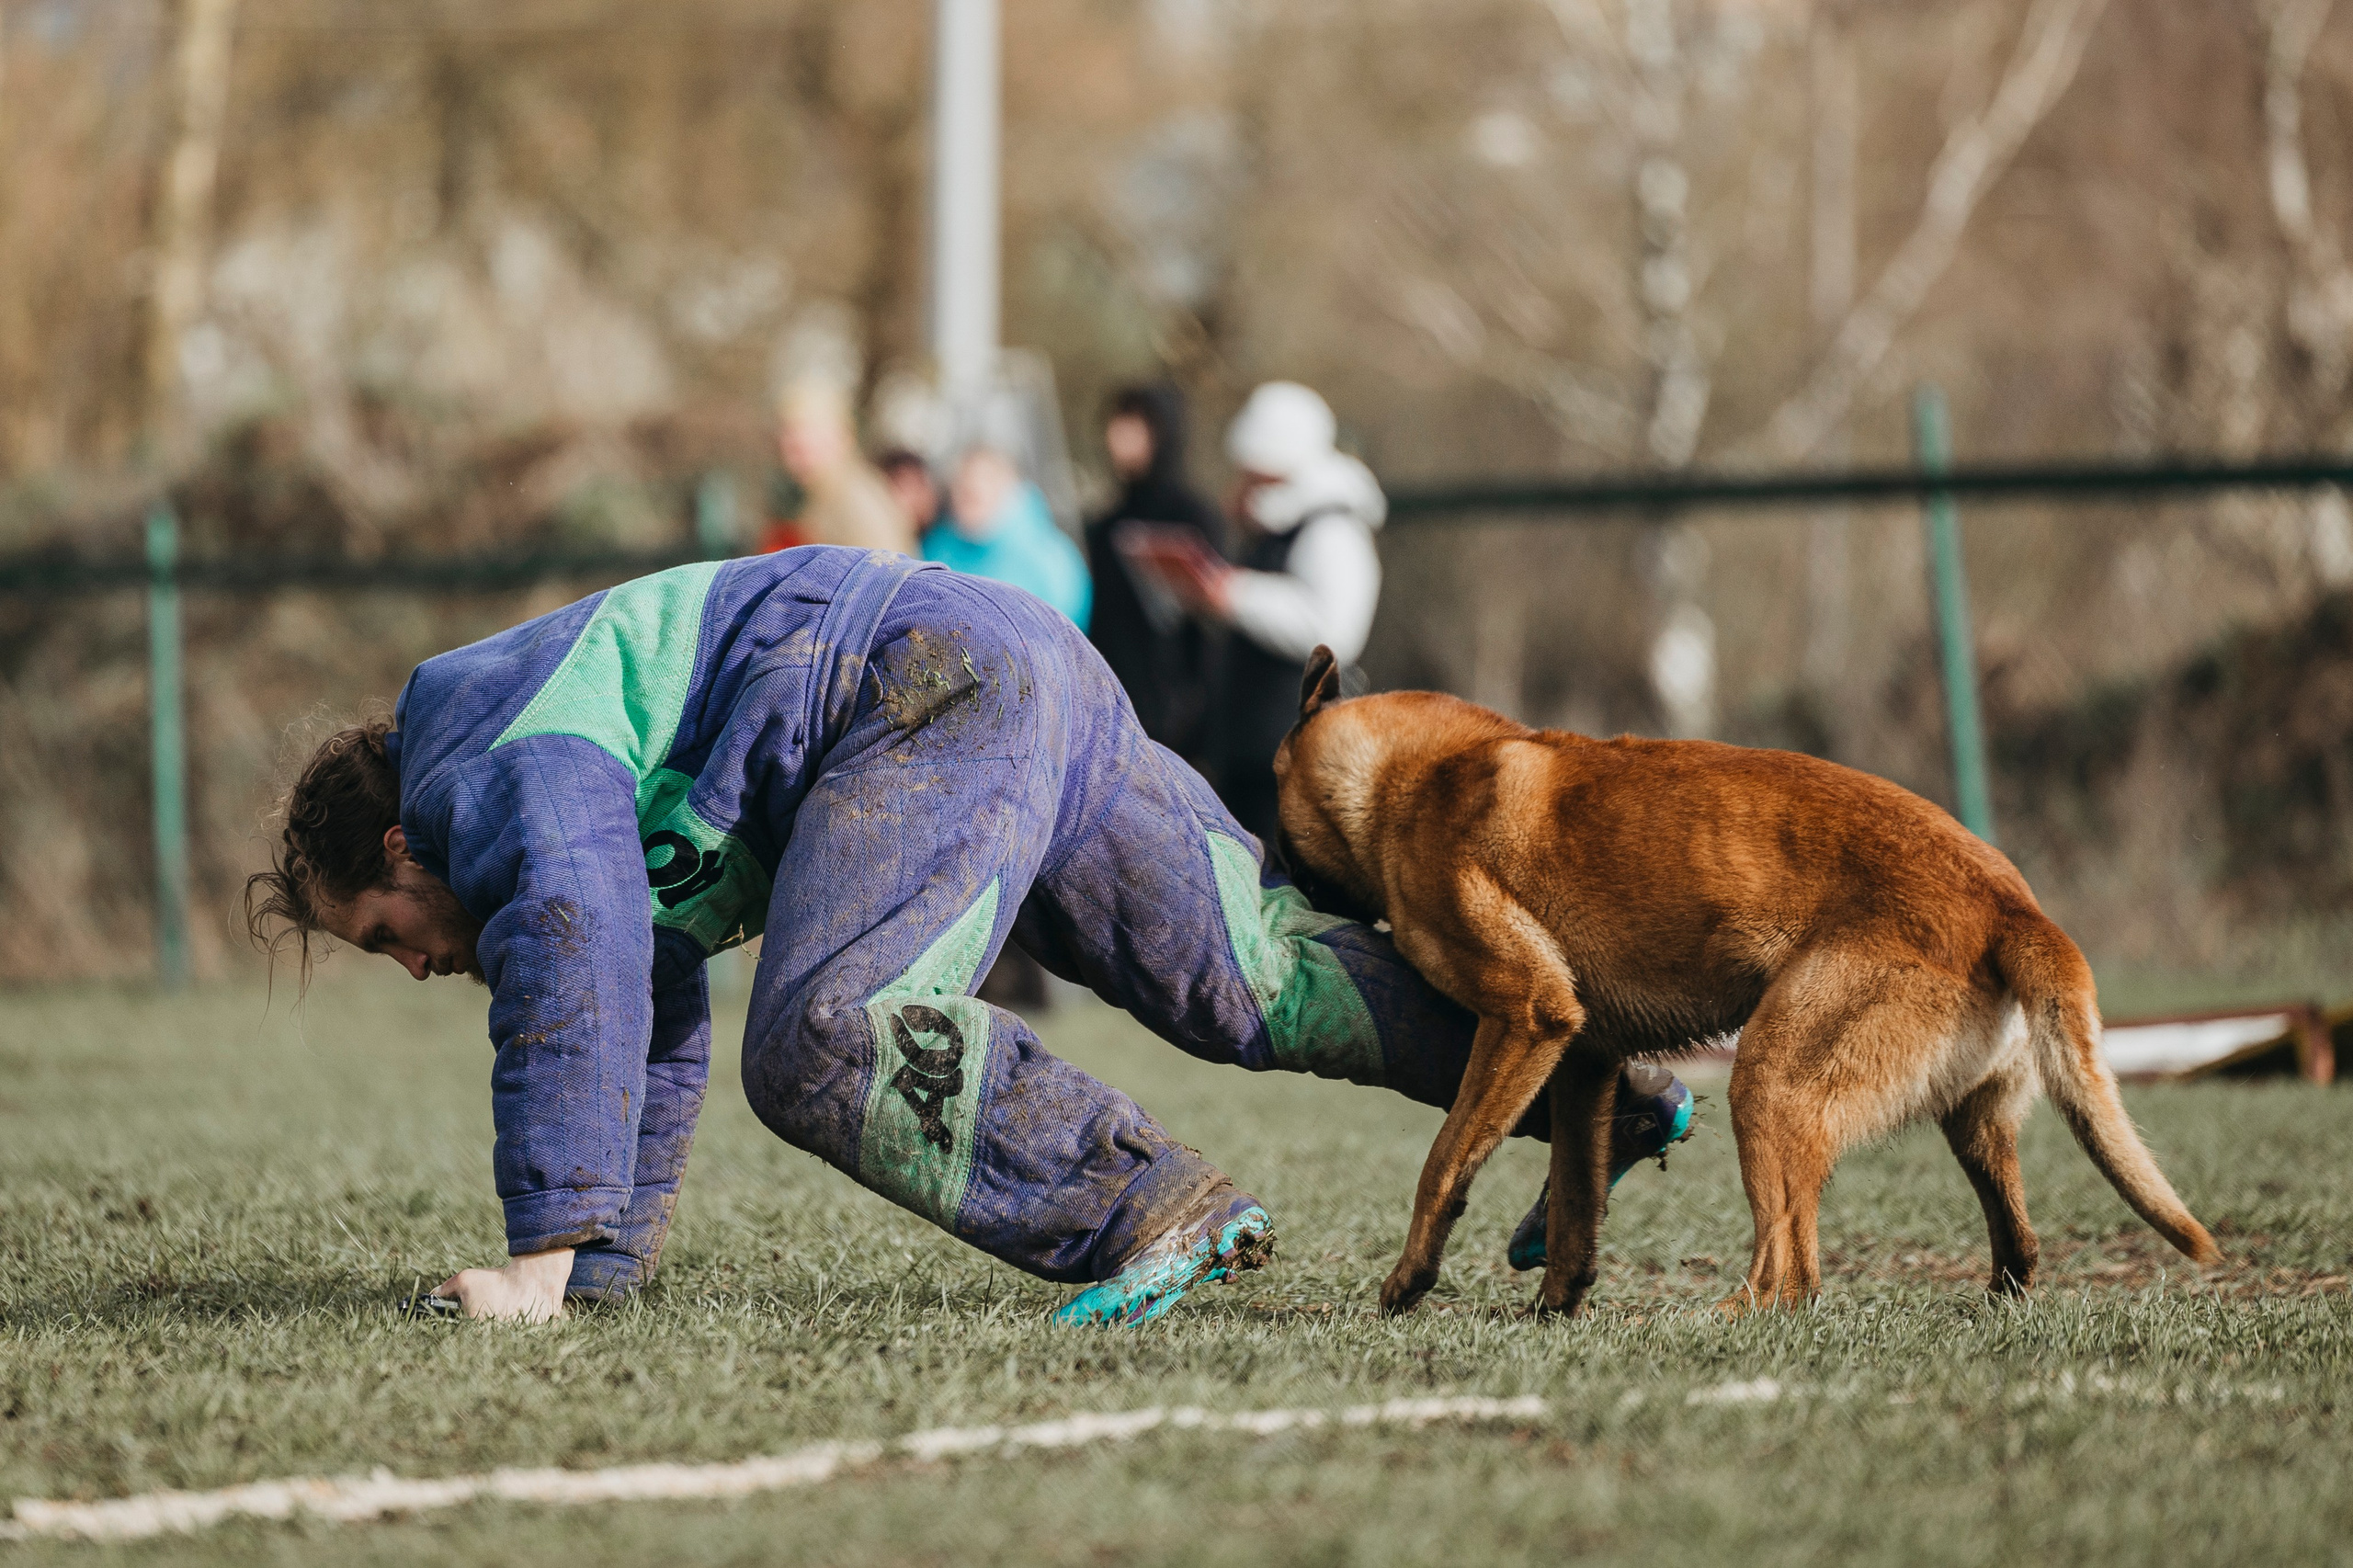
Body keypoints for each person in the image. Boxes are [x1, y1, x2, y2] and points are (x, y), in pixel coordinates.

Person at [245, 549, 1691, 1324]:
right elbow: (649, 983)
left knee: (823, 1035)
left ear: (396, 848)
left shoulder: (475, 762)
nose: (423, 962)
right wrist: (604, 1259)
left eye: (389, 934)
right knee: (1257, 975)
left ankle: (1146, 1204)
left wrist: (536, 1259)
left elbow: (573, 933)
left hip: (922, 684)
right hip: (1017, 660)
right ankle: (1598, 1089)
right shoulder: (528, 756)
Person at [1136, 381, 1384, 844]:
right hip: (1248, 751)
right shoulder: (1275, 525)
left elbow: (1334, 629)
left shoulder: (1330, 528)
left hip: (1295, 753)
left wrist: (1233, 594)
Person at [1084, 385, 1222, 759]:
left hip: (1180, 716)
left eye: (1135, 425)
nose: (1120, 437)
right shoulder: (1105, 524)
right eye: (1117, 423)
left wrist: (1191, 708)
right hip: (1113, 704)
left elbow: (1208, 627)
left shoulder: (1195, 518)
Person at [922, 447, 1092, 630]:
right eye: (961, 489)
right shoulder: (937, 547)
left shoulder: (1049, 556)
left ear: (1008, 488)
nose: (967, 495)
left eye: (975, 493)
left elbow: (1067, 629)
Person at [766, 381, 913, 555]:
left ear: (840, 436)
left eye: (806, 433)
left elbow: (887, 574)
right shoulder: (825, 494)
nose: (792, 444)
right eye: (787, 433)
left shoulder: (855, 502)